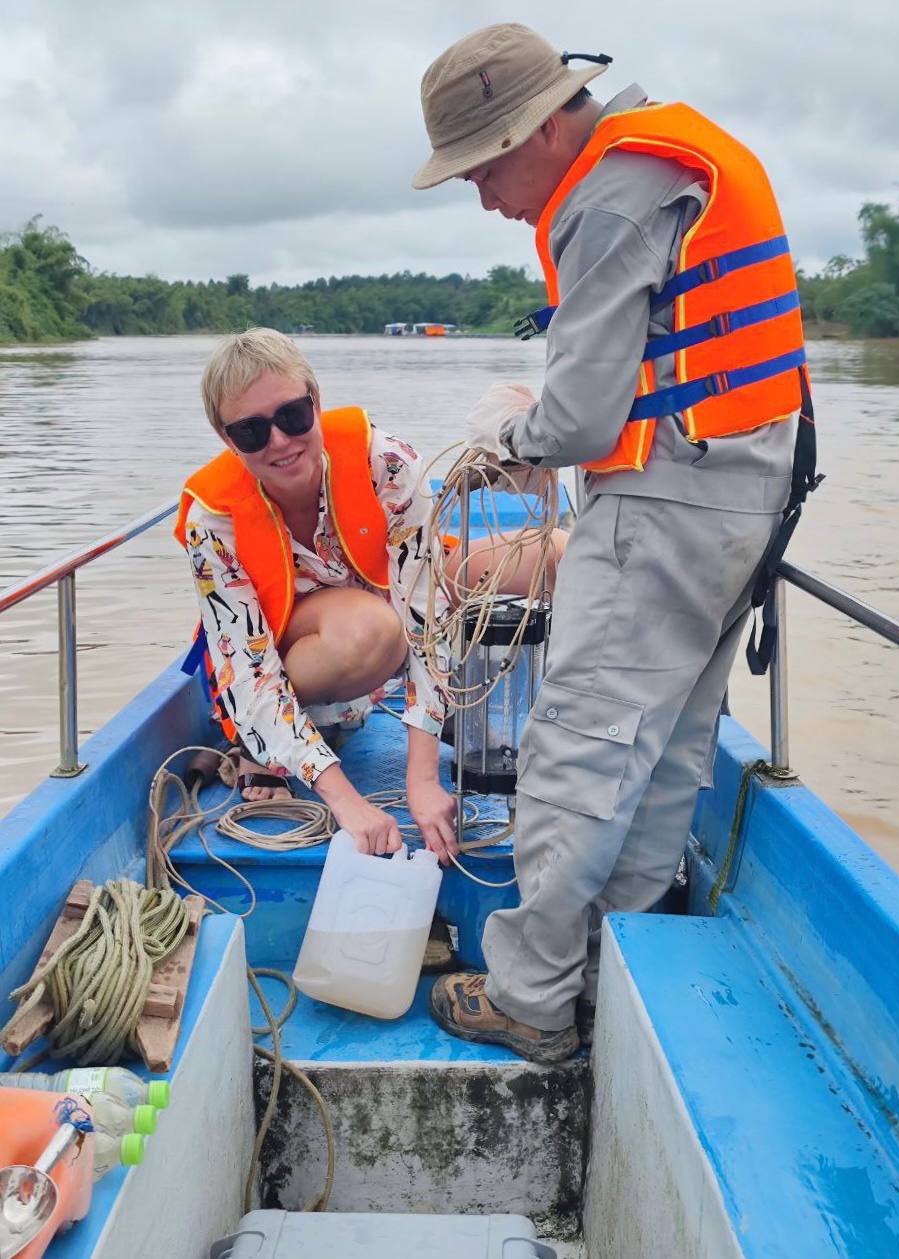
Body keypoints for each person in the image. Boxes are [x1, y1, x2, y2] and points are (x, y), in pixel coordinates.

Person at [413, 24, 817, 1062]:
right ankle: (614, 969)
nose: (485, 197)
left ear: (544, 128)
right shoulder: (676, 154)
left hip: (664, 504)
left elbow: (584, 419)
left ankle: (529, 995)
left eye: (484, 167)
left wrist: (511, 435)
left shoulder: (604, 197)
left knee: (577, 743)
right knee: (666, 747)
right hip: (748, 498)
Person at [175, 328, 459, 860]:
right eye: (251, 430)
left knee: (537, 558)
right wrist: (346, 802)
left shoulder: (387, 462)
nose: (280, 442)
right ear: (226, 438)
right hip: (298, 658)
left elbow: (428, 616)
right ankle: (262, 744)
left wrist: (422, 780)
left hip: (382, 631)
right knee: (369, 630)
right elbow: (247, 670)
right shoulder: (212, 521)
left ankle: (411, 712)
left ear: (316, 402)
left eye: (292, 416)